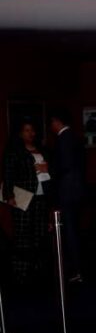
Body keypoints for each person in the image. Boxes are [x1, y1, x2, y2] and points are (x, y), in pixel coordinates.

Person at [2, 121, 52, 285]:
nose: (31, 133)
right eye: (27, 130)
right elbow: (8, 174)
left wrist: (47, 168)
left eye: (32, 130)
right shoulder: (14, 152)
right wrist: (9, 195)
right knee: (22, 235)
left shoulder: (42, 150)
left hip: (41, 197)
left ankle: (37, 269)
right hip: (23, 195)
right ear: (20, 133)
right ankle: (21, 272)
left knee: (39, 234)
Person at [48, 108, 86, 282]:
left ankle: (76, 269)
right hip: (76, 190)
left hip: (67, 190)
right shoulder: (74, 137)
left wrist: (48, 168)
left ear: (56, 122)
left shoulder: (63, 139)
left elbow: (64, 166)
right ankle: (78, 267)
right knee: (74, 229)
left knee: (69, 230)